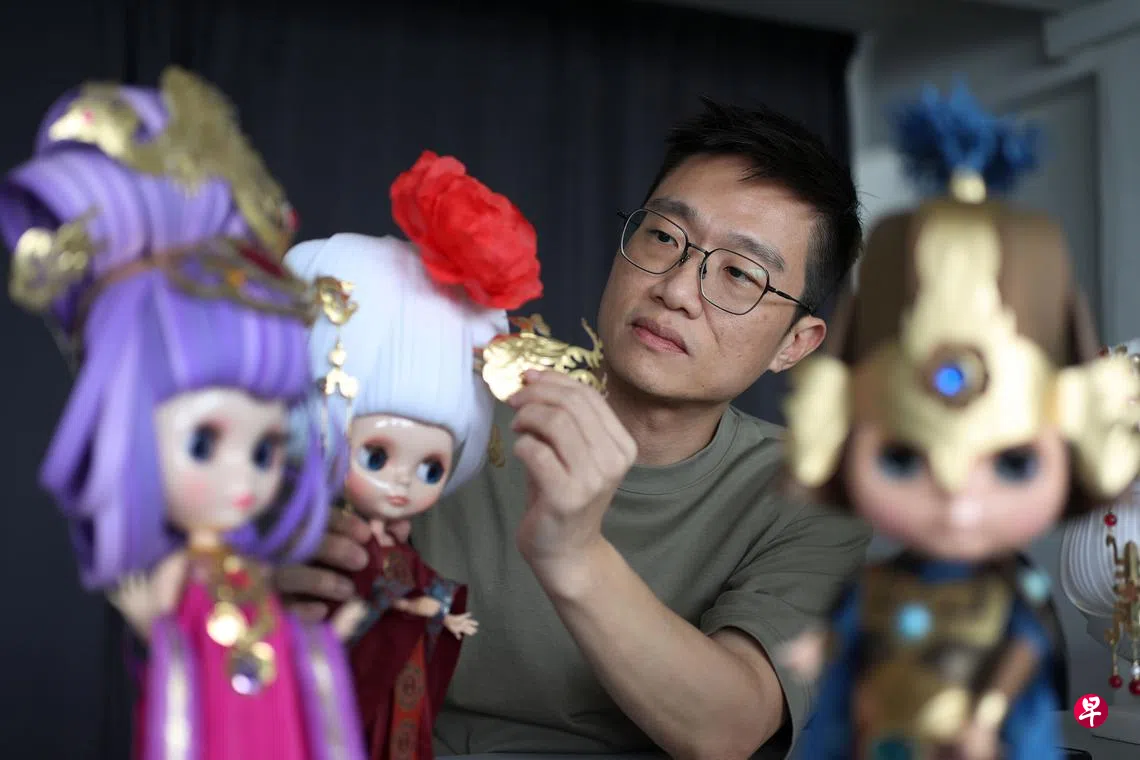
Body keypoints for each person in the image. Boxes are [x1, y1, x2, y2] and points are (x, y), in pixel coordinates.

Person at [275, 98, 871, 759]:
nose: (677, 290)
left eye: (739, 274)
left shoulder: (814, 492)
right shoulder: (455, 391)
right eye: (663, 237)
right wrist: (279, 578)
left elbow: (727, 730)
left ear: (795, 343)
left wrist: (574, 553)